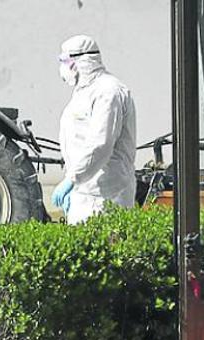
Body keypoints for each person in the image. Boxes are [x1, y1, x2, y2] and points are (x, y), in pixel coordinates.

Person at [53, 34, 138, 224]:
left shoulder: (108, 92)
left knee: (103, 249)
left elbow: (100, 144)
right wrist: (74, 184)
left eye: (64, 61)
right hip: (84, 191)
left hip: (106, 194)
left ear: (78, 61)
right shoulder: (84, 92)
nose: (62, 67)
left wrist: (72, 179)